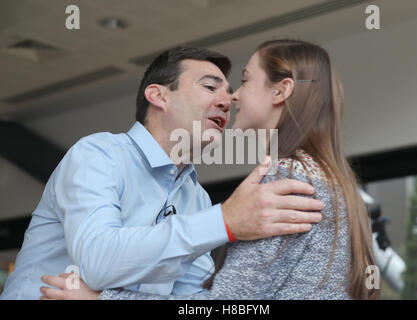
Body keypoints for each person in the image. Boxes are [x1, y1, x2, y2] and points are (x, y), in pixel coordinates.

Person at [40, 39, 381, 300]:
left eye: (243, 83)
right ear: (158, 97)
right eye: (211, 87)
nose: (231, 98)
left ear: (281, 90)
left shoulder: (287, 179)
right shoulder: (325, 179)